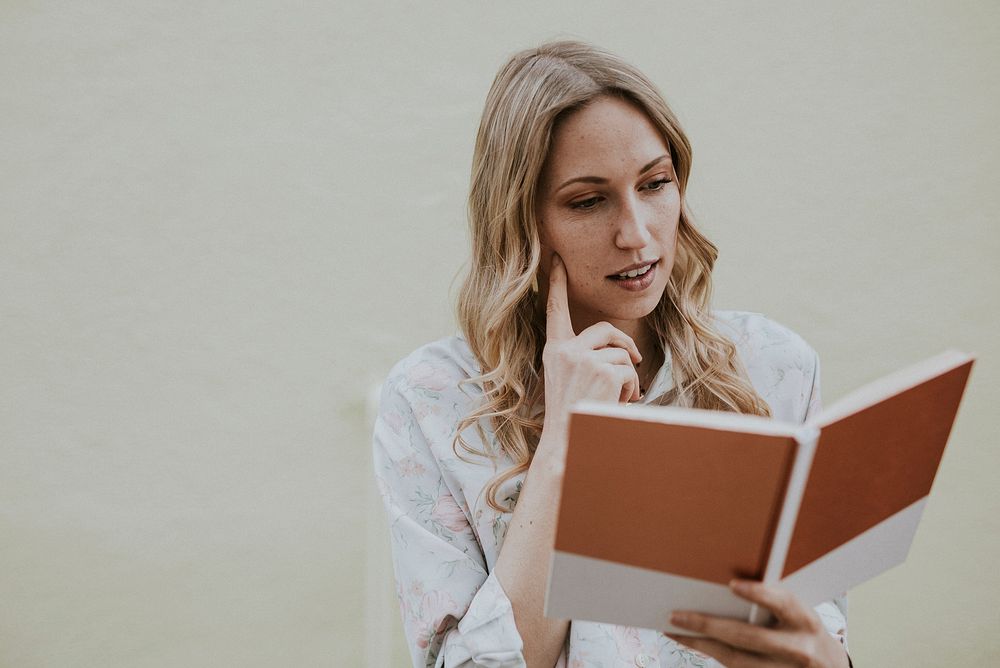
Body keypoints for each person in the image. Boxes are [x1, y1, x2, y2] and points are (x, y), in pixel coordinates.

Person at [372, 40, 851, 668]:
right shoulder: (432, 400)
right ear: (521, 220)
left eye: (655, 184)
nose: (637, 233)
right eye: (588, 201)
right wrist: (565, 445)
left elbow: (823, 638)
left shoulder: (772, 367)